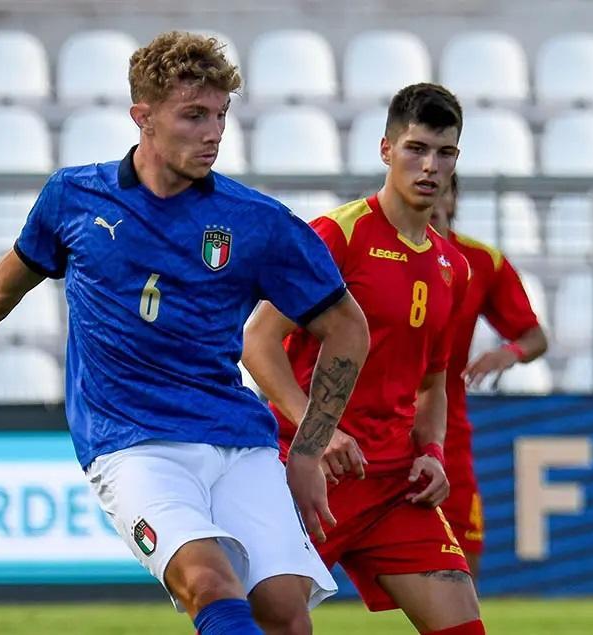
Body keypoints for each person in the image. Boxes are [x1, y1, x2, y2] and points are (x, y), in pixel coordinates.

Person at [0, 31, 369, 635]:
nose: (213, 132)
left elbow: (346, 325)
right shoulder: (75, 197)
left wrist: (310, 448)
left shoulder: (256, 222)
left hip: (239, 439)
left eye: (220, 116)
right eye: (194, 116)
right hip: (133, 445)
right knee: (209, 584)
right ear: (144, 118)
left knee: (285, 616)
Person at [243, 83, 486, 635]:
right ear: (385, 150)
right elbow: (257, 342)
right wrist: (318, 431)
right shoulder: (337, 235)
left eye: (444, 153)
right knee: (276, 625)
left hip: (393, 485)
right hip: (307, 473)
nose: (429, 166)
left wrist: (432, 452)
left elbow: (432, 384)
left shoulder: (455, 268)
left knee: (464, 627)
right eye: (415, 149)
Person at [430, 173, 547, 580]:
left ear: (454, 198)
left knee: (463, 551)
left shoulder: (482, 262)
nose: (431, 197)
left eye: (441, 188)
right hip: (374, 424)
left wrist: (508, 352)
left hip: (447, 430)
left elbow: (535, 337)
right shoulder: (373, 251)